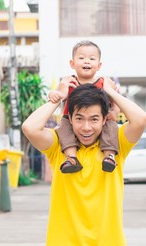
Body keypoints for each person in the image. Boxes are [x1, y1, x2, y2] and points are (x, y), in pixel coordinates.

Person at [22, 77, 146, 246]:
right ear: (70, 119)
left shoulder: (115, 145)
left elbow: (141, 120)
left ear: (105, 119)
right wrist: (58, 97)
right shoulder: (59, 147)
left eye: (94, 119)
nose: (86, 127)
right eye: (79, 119)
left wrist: (111, 92)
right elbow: (30, 128)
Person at [48, 40, 120, 173]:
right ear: (72, 63)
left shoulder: (104, 83)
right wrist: (53, 93)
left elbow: (116, 99)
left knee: (111, 126)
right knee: (63, 129)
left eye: (92, 59)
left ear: (98, 65)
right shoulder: (68, 81)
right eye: (81, 58)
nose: (87, 61)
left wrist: (114, 112)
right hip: (70, 119)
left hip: (99, 119)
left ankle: (109, 155)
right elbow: (57, 93)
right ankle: (71, 158)